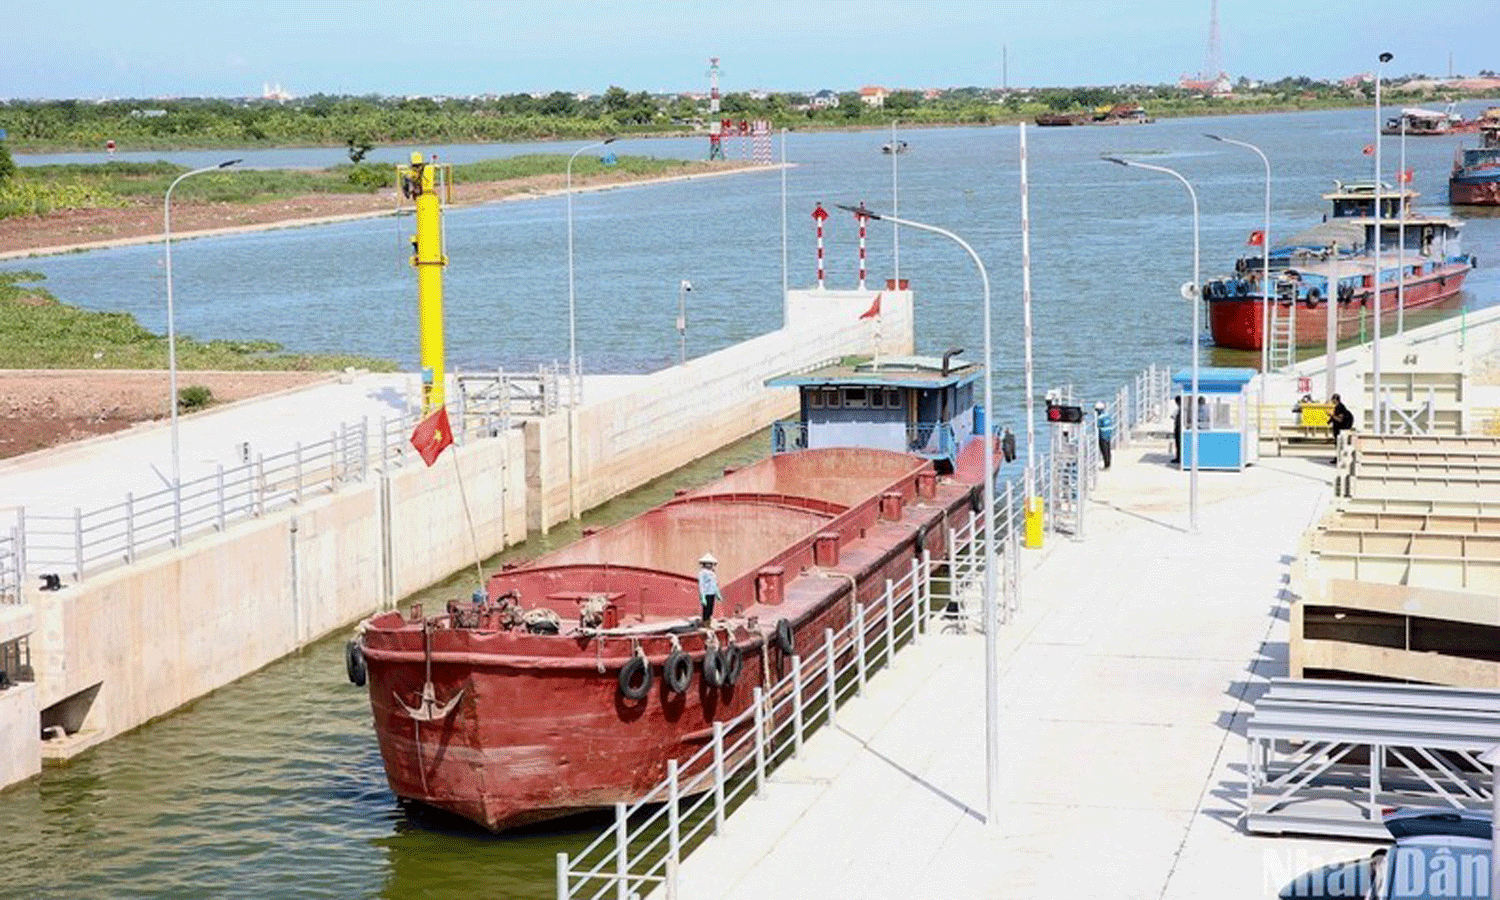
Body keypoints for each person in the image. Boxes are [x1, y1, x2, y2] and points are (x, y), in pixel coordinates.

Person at [697, 552, 720, 625]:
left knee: (711, 609)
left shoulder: (713, 573)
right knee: (706, 610)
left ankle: (709, 622)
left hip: (712, 593)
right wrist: (702, 596)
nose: (709, 565)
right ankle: (705, 623)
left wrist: (717, 593)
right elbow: (701, 584)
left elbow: (714, 583)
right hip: (706, 593)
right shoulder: (702, 573)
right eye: (708, 563)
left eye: (710, 563)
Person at [1094, 401, 1113, 470]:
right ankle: (1108, 464)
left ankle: (1106, 465)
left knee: (1104, 450)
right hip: (1108, 434)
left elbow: (1098, 425)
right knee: (1108, 449)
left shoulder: (1100, 417)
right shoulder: (1107, 414)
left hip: (1102, 435)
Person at [1171, 396, 1182, 464]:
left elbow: (1173, 417)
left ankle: (1179, 458)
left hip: (1179, 429)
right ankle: (1178, 457)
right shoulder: (1179, 409)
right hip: (1178, 428)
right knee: (1178, 444)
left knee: (1179, 444)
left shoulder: (1180, 409)